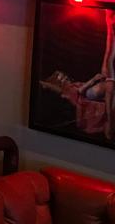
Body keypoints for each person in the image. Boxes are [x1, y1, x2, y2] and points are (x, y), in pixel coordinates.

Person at [40, 9, 115, 140]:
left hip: (96, 91)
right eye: (59, 77)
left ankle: (109, 22)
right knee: (105, 75)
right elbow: (81, 93)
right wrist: (93, 80)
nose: (62, 76)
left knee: (107, 65)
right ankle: (109, 22)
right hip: (92, 93)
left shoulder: (72, 87)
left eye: (61, 75)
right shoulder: (67, 93)